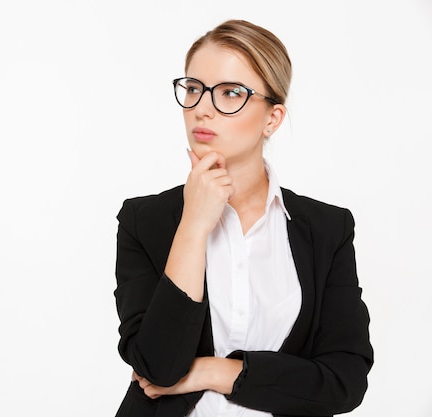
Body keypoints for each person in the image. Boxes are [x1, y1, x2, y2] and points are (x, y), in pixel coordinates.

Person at [112, 19, 373, 417]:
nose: (202, 109)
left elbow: (344, 382)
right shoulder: (143, 220)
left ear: (272, 118)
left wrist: (211, 372)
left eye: (231, 93)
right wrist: (194, 224)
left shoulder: (327, 229)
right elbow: (158, 368)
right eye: (194, 89)